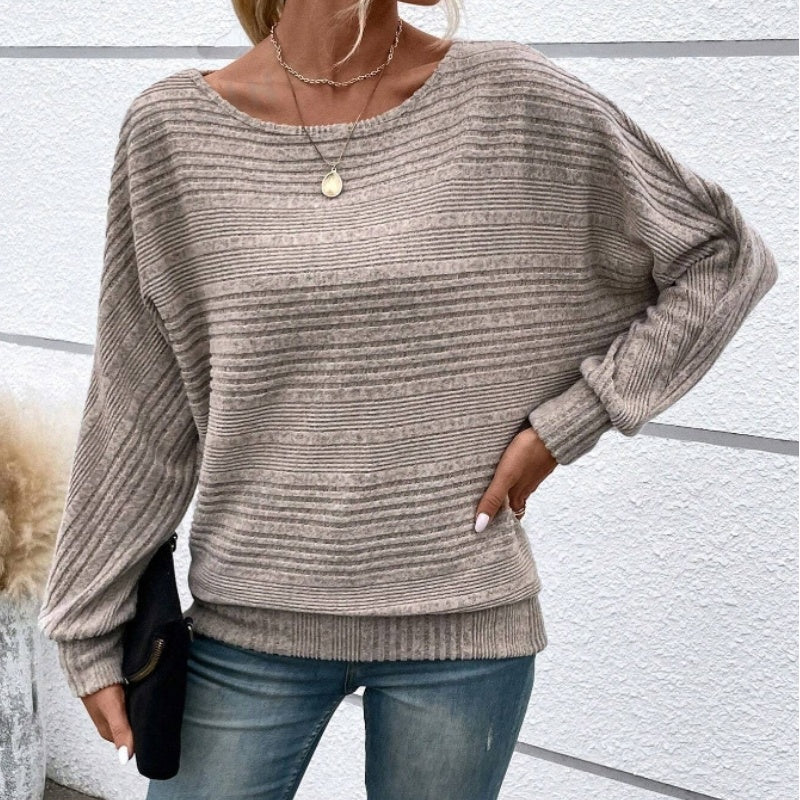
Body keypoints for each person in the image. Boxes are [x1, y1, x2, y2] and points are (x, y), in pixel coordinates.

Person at [37, 0, 779, 797]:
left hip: (462, 630)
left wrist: (568, 424)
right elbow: (136, 404)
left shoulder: (509, 95)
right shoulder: (172, 130)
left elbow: (720, 256)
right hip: (246, 625)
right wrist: (87, 618)